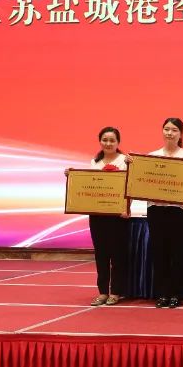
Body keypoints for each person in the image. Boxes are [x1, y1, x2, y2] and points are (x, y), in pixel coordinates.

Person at [68, 126, 129, 307]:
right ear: (100, 141)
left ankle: (116, 292)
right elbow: (88, 185)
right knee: (101, 255)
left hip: (118, 215)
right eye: (105, 140)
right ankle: (102, 292)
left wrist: (126, 208)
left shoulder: (125, 161)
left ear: (118, 142)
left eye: (112, 140)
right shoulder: (94, 162)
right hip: (97, 216)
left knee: (117, 255)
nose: (108, 143)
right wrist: (72, 176)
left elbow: (129, 188)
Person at [144, 117, 183, 309]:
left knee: (177, 252)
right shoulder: (152, 157)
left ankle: (176, 293)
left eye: (174, 130)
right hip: (156, 210)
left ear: (181, 134)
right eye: (167, 129)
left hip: (178, 211)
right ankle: (162, 293)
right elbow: (144, 182)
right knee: (159, 252)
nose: (170, 133)